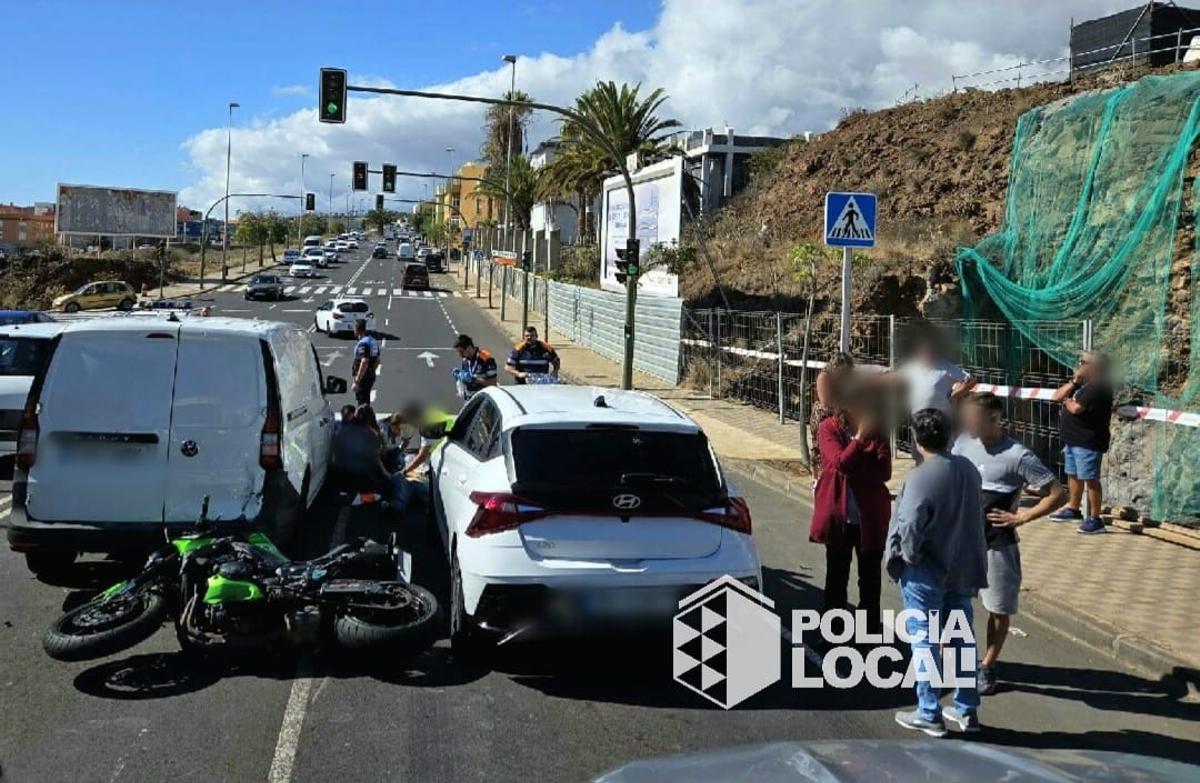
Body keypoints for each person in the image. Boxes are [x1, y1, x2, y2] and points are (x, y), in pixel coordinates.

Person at [952, 392, 1066, 695]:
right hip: (962, 544)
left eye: (972, 417)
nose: (966, 422)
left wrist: (1024, 516)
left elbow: (1057, 493)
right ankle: (952, 659)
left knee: (998, 609)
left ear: (993, 419)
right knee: (953, 604)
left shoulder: (1018, 455)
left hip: (997, 547)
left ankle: (987, 666)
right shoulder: (963, 443)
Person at [886, 408, 988, 737]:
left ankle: (929, 711)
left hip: (926, 572)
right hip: (962, 567)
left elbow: (910, 524)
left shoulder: (920, 477)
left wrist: (908, 557)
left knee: (925, 641)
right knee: (961, 638)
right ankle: (966, 710)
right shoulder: (969, 470)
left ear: (916, 440)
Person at [808, 386, 891, 635]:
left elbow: (883, 471)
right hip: (840, 518)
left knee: (870, 582)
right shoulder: (829, 429)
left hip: (869, 521)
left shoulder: (878, 430)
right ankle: (833, 632)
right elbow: (839, 463)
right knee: (836, 579)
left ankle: (869, 634)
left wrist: (852, 466)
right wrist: (859, 440)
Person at [1049, 350, 1114, 535]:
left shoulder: (1099, 387)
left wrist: (1068, 402)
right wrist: (1074, 382)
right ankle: (1073, 508)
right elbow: (1056, 396)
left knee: (1090, 479)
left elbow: (1076, 408)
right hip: (1073, 440)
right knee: (1073, 474)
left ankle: (1095, 518)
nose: (1078, 364)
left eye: (1082, 362)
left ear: (1092, 367)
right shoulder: (1083, 385)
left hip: (1088, 442)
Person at [897, 334, 976, 463]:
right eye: (922, 352)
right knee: (919, 454)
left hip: (940, 420)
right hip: (918, 420)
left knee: (943, 453)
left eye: (928, 352)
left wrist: (957, 393)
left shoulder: (946, 367)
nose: (925, 355)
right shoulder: (912, 367)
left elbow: (970, 381)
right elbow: (896, 377)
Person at [809, 352, 856, 478]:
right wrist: (845, 407)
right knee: (820, 448)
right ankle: (819, 478)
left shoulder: (844, 378)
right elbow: (826, 402)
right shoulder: (824, 377)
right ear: (836, 367)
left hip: (839, 415)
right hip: (824, 417)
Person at [452, 334, 497, 398]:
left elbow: (493, 382)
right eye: (458, 352)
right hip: (469, 399)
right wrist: (460, 376)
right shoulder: (465, 360)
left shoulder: (486, 358)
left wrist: (473, 380)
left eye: (461, 352)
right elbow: (467, 377)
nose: (460, 355)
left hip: (483, 399)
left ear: (469, 348)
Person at [352, 320, 380, 405]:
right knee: (365, 399)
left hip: (363, 378)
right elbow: (378, 360)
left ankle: (364, 417)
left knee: (362, 401)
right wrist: (372, 371)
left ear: (357, 329)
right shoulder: (372, 341)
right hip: (369, 376)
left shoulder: (363, 343)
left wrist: (357, 379)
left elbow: (364, 361)